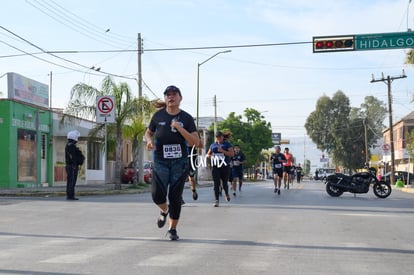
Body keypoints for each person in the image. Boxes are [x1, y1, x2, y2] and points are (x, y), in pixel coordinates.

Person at [144, 85, 199, 241]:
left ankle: (172, 229)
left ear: (180, 98)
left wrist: (179, 128)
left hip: (179, 163)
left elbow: (196, 142)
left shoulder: (187, 118)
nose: (171, 97)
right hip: (160, 161)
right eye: (168, 94)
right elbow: (148, 132)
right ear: (165, 98)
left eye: (174, 94)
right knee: (157, 195)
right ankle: (164, 210)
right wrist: (149, 140)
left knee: (175, 196)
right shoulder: (158, 116)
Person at [207, 131, 234, 207]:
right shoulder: (213, 145)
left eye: (220, 137)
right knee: (216, 183)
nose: (219, 138)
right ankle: (216, 200)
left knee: (224, 183)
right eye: (217, 137)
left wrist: (222, 151)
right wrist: (210, 156)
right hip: (215, 166)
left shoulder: (227, 144)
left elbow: (232, 154)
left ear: (222, 137)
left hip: (225, 166)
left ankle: (226, 193)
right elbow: (208, 154)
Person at [65, 130, 85, 200]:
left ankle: (70, 195)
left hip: (70, 166)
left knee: (70, 181)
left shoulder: (69, 145)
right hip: (72, 166)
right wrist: (74, 165)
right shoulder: (71, 146)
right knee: (72, 181)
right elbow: (73, 157)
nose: (77, 139)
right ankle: (70, 196)